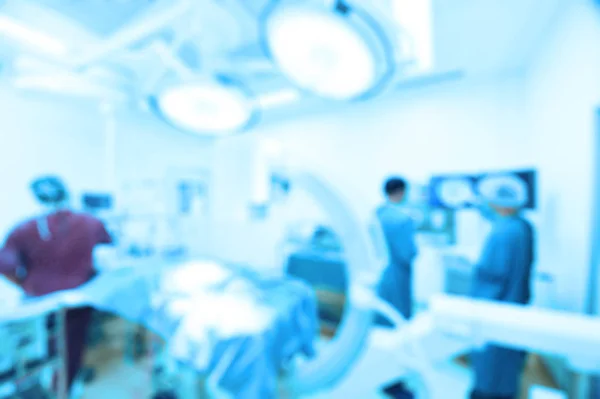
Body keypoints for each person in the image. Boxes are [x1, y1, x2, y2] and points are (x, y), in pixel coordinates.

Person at [0, 175, 113, 396]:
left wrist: (26, 284)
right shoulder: (91, 223)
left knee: (39, 349)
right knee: (72, 346)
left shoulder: (24, 229)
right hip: (77, 299)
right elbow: (108, 256)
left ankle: (42, 386)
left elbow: (5, 267)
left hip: (39, 301)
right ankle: (65, 387)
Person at [469, 174, 535, 399]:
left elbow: (490, 279)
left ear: (499, 204)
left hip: (495, 312)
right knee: (507, 367)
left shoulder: (502, 232)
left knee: (491, 368)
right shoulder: (523, 226)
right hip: (515, 306)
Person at [376, 176, 418, 399]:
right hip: (397, 279)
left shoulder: (376, 215)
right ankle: (393, 382)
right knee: (398, 327)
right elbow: (408, 253)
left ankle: (381, 374)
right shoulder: (402, 219)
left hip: (380, 278)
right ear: (401, 192)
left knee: (382, 327)